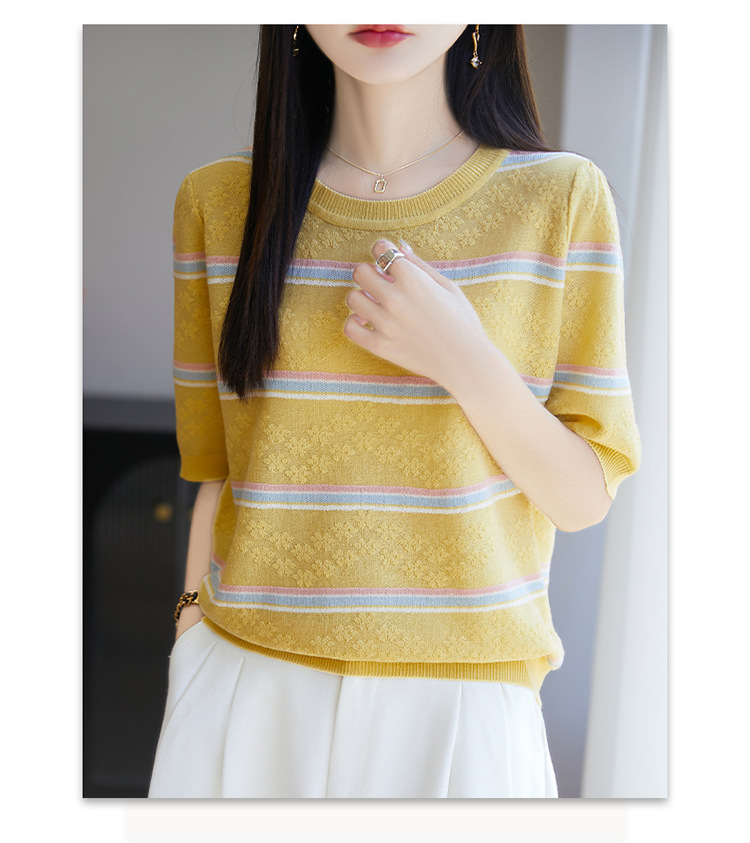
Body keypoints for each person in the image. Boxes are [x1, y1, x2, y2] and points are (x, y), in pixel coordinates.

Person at [149, 24, 640, 799]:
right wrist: (189, 640)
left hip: (462, 708)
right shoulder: (217, 203)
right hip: (245, 687)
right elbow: (217, 468)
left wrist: (465, 360)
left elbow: (584, 497)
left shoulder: (562, 198)